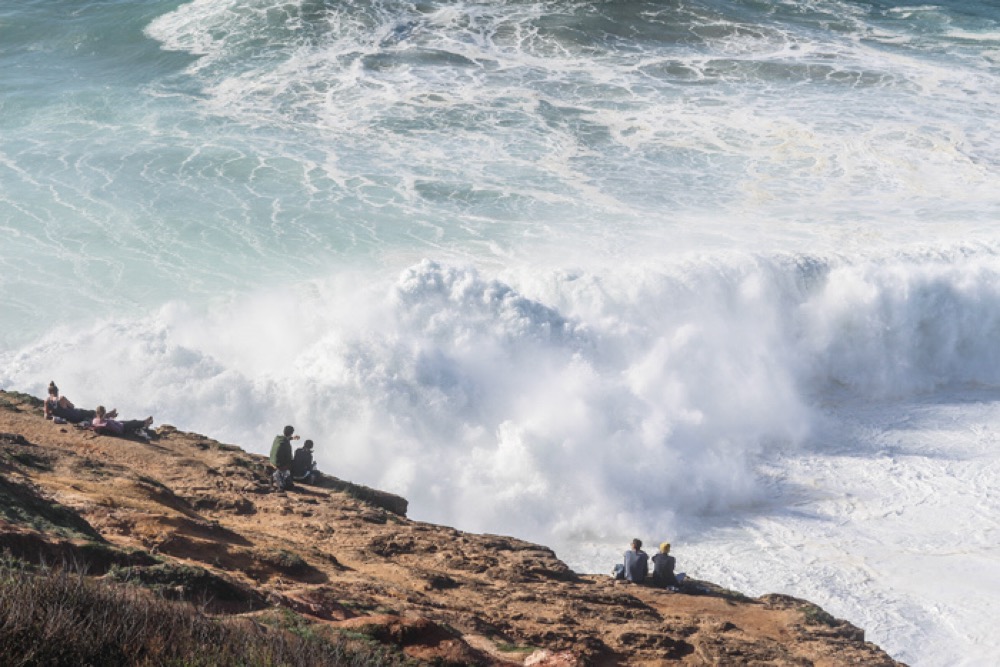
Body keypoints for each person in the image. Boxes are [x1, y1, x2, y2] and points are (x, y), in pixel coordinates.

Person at [270, 425, 299, 491]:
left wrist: (293, 438)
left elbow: (285, 439)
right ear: (291, 433)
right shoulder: (287, 444)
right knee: (293, 465)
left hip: (272, 461)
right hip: (279, 465)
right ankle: (284, 481)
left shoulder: (277, 438)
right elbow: (289, 458)